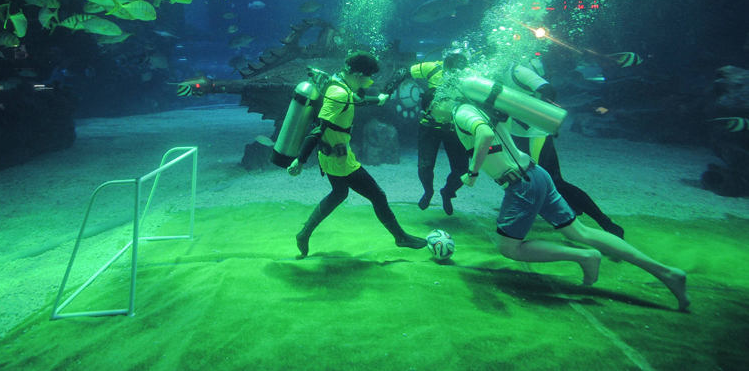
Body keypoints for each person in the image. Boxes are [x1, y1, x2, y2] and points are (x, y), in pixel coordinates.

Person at [426, 93, 690, 311]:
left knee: (509, 248)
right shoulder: (478, 106)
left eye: (429, 111)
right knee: (580, 231)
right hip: (537, 175)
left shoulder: (462, 112)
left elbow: (483, 135)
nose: (431, 117)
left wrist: (472, 172)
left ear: (438, 102)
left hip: (522, 184)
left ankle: (584, 257)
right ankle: (667, 273)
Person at [287, 51, 428, 258]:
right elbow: (319, 128)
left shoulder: (337, 82)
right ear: (358, 75)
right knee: (378, 195)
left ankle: (304, 233)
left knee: (339, 193)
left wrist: (377, 100)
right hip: (339, 159)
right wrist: (300, 160)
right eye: (368, 78)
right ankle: (400, 237)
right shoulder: (339, 94)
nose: (369, 82)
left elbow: (353, 100)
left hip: (330, 155)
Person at [504, 57, 624, 238]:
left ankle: (608, 224)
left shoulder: (519, 70)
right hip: (523, 133)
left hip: (535, 135)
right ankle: (572, 209)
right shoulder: (506, 71)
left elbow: (547, 89)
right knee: (527, 179)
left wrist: (546, 119)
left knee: (555, 182)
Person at [383, 53, 469, 214]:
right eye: (448, 72)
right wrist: (387, 90)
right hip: (430, 124)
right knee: (425, 165)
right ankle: (428, 191)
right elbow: (404, 72)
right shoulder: (432, 68)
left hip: (454, 127)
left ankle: (447, 193)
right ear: (444, 66)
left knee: (462, 170)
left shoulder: (471, 76)